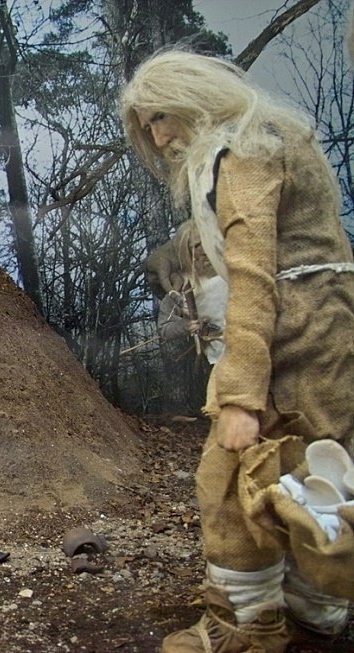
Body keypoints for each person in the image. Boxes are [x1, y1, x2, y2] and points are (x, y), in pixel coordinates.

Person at [121, 50, 354, 653]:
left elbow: (255, 278)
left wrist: (242, 396)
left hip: (292, 342)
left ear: (196, 98)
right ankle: (316, 613)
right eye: (148, 125)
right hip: (325, 335)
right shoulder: (269, 139)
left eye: (163, 116)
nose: (160, 135)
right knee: (315, 471)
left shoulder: (242, 151)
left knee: (227, 479)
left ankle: (246, 627)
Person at [150, 220, 227, 364]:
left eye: (207, 240)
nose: (204, 249)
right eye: (197, 246)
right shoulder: (183, 284)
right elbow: (164, 327)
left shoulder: (231, 267)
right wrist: (185, 326)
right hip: (220, 357)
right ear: (186, 251)